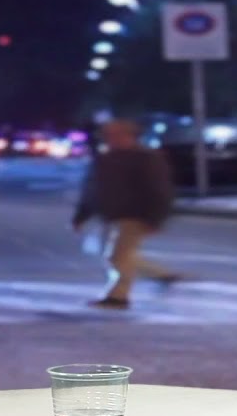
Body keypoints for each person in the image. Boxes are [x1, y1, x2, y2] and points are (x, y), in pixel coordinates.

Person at [72, 118, 181, 309]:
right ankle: (161, 275)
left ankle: (118, 297)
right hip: (111, 215)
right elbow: (92, 190)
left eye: (115, 135)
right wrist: (81, 216)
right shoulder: (105, 159)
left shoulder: (146, 158)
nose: (110, 139)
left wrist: (155, 219)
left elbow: (159, 190)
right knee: (118, 255)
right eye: (108, 135)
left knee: (118, 256)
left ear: (130, 136)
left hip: (135, 215)